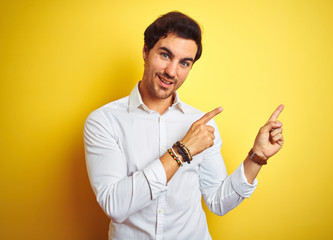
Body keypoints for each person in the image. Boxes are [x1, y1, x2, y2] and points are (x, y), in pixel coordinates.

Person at [84, 11, 284, 240]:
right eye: (165, 55)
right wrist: (182, 150)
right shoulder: (104, 121)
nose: (171, 72)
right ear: (146, 52)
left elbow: (218, 201)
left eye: (184, 63)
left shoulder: (201, 125)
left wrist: (257, 157)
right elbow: (115, 205)